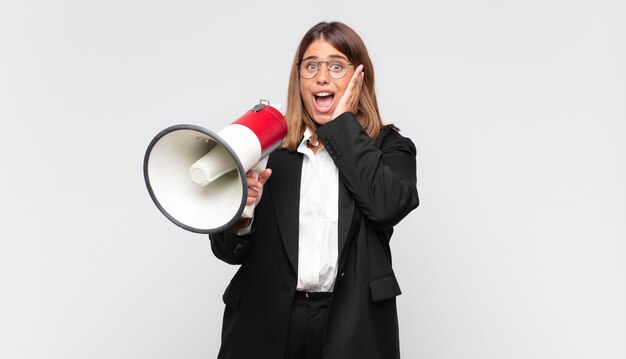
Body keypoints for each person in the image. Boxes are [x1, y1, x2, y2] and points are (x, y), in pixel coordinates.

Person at [210, 21, 419, 359]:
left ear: (358, 77)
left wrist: (342, 127)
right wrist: (241, 216)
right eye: (311, 66)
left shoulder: (389, 147)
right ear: (299, 78)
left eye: (336, 66)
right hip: (266, 322)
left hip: (352, 323)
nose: (322, 77)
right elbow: (226, 250)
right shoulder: (266, 147)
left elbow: (388, 206)